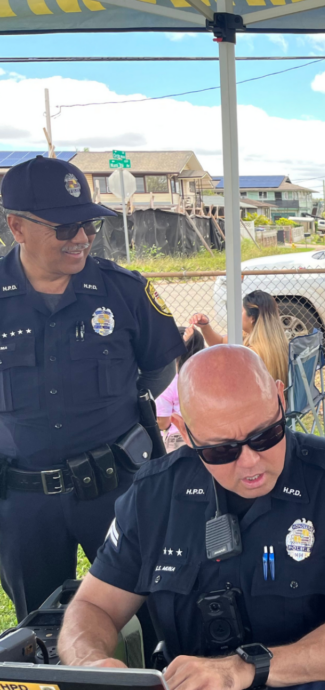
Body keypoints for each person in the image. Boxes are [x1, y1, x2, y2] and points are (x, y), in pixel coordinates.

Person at [56, 346, 325, 690]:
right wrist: (93, 666)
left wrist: (245, 667)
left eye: (267, 434)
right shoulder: (154, 497)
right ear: (185, 433)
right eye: (222, 449)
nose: (251, 461)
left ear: (280, 398)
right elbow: (93, 606)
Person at [0, 156, 184, 621]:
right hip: (22, 503)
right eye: (64, 228)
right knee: (39, 633)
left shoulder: (122, 292)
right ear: (16, 227)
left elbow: (160, 366)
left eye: (87, 224)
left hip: (115, 489)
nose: (80, 238)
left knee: (149, 617)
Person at [190, 290, 290, 385]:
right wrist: (205, 326)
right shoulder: (278, 342)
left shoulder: (250, 354)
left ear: (252, 318)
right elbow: (220, 342)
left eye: (241, 311)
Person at [156, 326, 206, 453]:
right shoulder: (208, 378)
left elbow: (163, 423)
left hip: (178, 439)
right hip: (207, 434)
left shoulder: (167, 382)